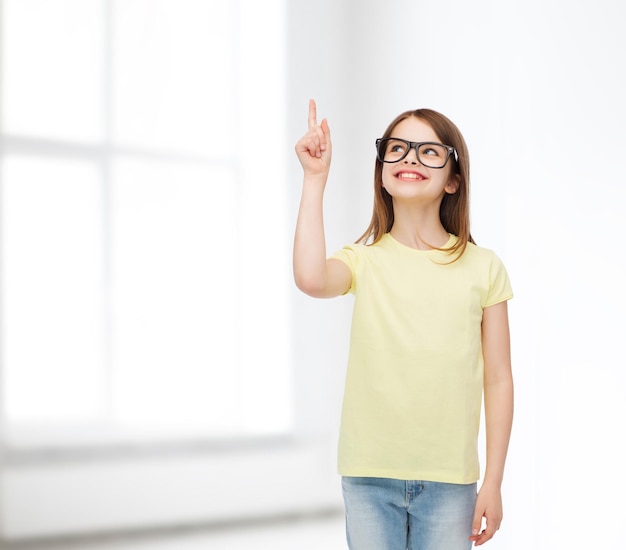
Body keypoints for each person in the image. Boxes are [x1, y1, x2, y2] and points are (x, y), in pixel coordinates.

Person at [293, 99, 514, 549]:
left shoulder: (484, 267)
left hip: (451, 481)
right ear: (382, 170)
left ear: (454, 180)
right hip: (369, 476)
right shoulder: (363, 261)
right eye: (397, 148)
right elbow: (311, 278)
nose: (409, 157)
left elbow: (498, 379)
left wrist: (492, 481)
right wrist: (315, 180)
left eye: (429, 151)